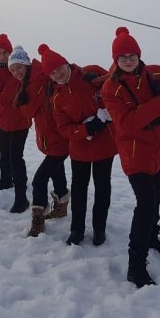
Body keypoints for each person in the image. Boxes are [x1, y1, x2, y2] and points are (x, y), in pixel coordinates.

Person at [101, 27, 160, 288]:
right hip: (135, 154)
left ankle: (151, 237)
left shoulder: (156, 72)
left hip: (159, 149)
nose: (128, 60)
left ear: (139, 55)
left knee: (156, 198)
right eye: (122, 57)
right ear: (115, 60)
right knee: (146, 204)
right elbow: (127, 125)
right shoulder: (111, 88)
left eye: (132, 55)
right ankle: (135, 266)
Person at [39, 43, 118, 246]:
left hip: (104, 145)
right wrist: (88, 128)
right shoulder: (57, 98)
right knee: (80, 189)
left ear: (66, 63)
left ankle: (99, 228)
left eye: (59, 68)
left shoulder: (91, 73)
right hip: (80, 148)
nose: (58, 74)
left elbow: (116, 82)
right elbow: (64, 129)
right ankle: (77, 230)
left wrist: (105, 113)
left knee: (102, 187)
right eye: (52, 73)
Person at [10, 46, 71, 237]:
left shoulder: (39, 79)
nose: (16, 72)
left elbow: (29, 111)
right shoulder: (29, 82)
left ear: (27, 64)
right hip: (50, 137)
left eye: (19, 67)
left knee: (39, 180)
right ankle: (61, 205)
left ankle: (38, 219)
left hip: (58, 137)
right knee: (56, 170)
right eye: (12, 70)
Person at [0, 34, 32, 213]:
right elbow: (2, 100)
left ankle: (22, 198)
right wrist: (17, 76)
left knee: (15, 158)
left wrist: (17, 72)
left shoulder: (22, 70)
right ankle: (5, 180)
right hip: (2, 120)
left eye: (6, 53)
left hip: (20, 121)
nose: (2, 57)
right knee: (4, 154)